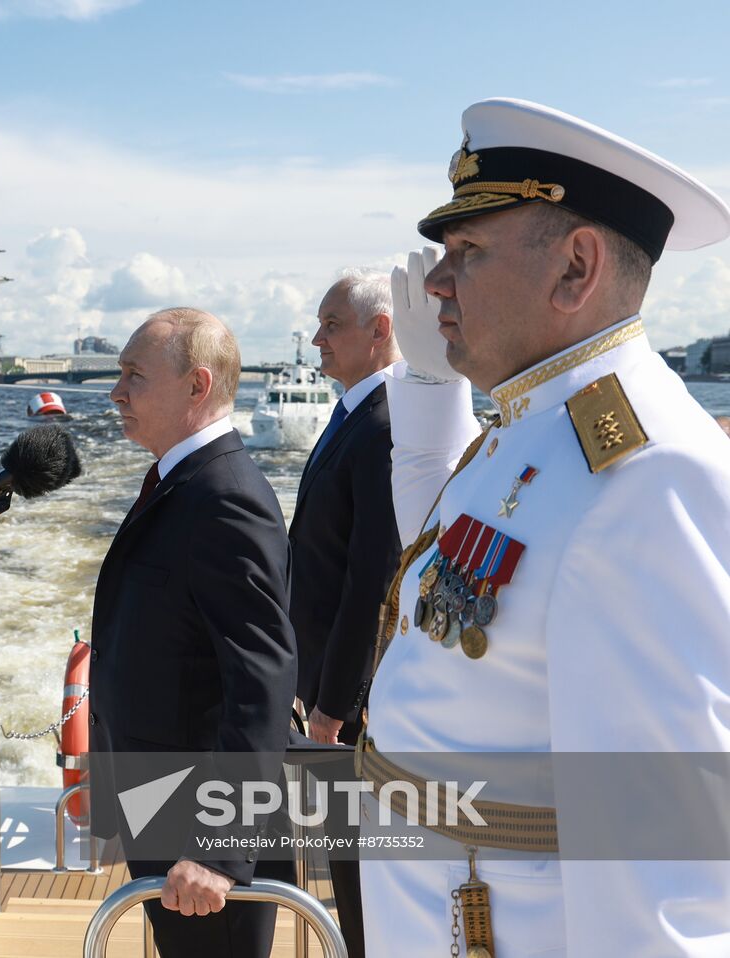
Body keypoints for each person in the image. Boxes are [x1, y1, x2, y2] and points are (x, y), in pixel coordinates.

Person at [361, 98, 730, 956]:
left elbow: (667, 874)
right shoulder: (537, 427)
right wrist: (425, 386)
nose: (437, 284)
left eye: (469, 252)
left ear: (576, 267)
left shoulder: (646, 476)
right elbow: (455, 581)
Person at [88, 307, 297, 958]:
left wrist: (221, 848)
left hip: (200, 827)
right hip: (160, 801)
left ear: (196, 386)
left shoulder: (223, 497)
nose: (117, 393)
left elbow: (261, 680)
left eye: (134, 375)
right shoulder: (182, 484)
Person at [288, 269, 403, 958]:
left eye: (332, 324)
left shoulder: (384, 425)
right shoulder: (355, 414)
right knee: (343, 863)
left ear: (379, 330)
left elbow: (371, 579)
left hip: (349, 706)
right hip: (323, 681)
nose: (316, 338)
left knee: (357, 876)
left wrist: (333, 705)